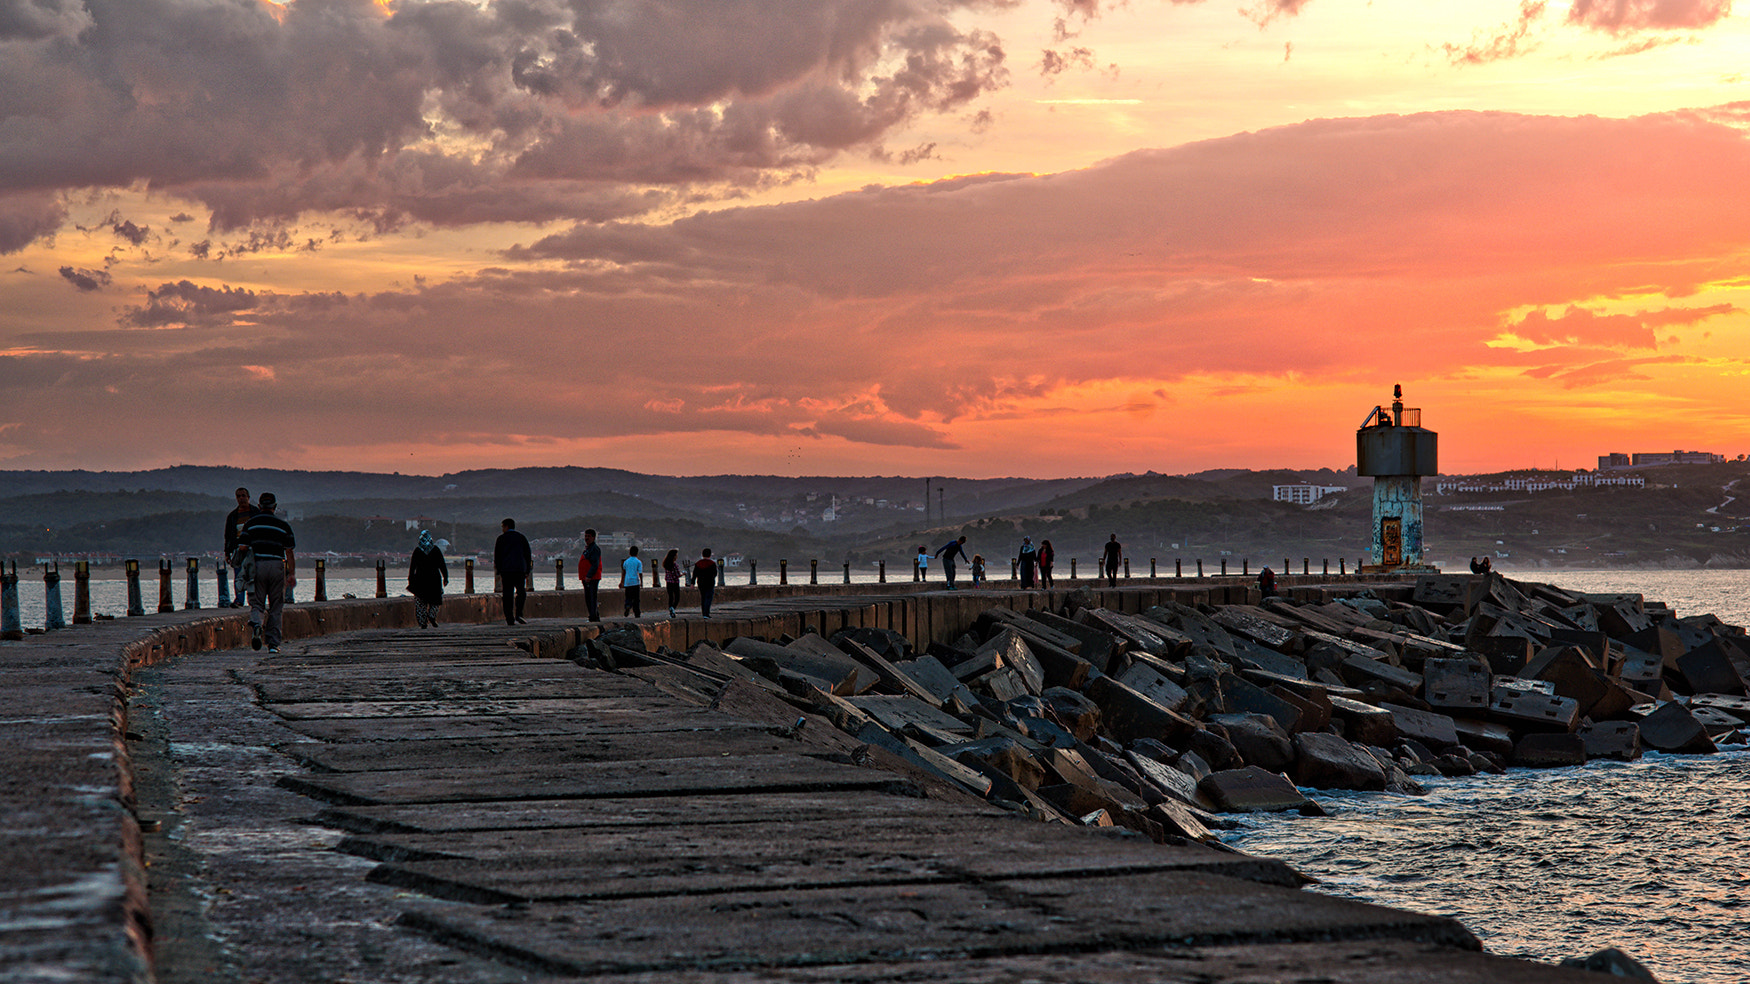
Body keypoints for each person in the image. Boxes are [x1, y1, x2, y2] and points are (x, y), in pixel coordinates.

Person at [240, 492, 295, 653]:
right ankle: (273, 644)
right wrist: (291, 573)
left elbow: (243, 546)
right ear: (275, 507)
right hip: (277, 565)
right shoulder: (283, 526)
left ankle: (257, 624)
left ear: (259, 506)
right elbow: (289, 551)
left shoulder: (250, 524)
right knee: (276, 606)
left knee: (257, 602)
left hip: (257, 566)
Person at [407, 529, 448, 628]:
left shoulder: (417, 551)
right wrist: (445, 577)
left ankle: (423, 622)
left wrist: (411, 579)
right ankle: (432, 616)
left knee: (421, 603)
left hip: (420, 580)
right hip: (434, 580)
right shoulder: (436, 550)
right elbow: (442, 565)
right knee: (435, 601)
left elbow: (412, 567)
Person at [222, 486, 255, 608]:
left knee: (253, 575)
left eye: (243, 496)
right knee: (238, 574)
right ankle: (239, 600)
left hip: (253, 548)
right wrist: (227, 552)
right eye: (239, 496)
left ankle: (253, 599)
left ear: (248, 497)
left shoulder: (255, 513)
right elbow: (228, 535)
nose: (241, 498)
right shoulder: (232, 516)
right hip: (237, 549)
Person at [494, 518, 532, 625]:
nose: (502, 529)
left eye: (502, 527)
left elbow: (497, 555)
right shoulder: (521, 537)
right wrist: (527, 569)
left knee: (507, 594)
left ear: (506, 526)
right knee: (521, 592)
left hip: (506, 571)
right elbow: (527, 555)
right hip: (519, 570)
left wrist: (499, 569)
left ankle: (509, 617)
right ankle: (519, 613)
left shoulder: (501, 539)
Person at [577, 528, 603, 621]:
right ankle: (594, 615)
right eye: (585, 536)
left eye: (588, 536)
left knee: (592, 598)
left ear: (593, 537)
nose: (586, 538)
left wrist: (589, 575)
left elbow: (595, 564)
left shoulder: (594, 549)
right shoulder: (588, 549)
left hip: (592, 578)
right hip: (586, 578)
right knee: (588, 598)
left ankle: (593, 617)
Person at [693, 548, 718, 617]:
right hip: (710, 583)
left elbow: (695, 574)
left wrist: (692, 583)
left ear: (702, 554)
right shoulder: (712, 563)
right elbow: (715, 574)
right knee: (708, 598)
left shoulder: (698, 563)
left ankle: (704, 613)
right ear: (710, 555)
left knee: (703, 598)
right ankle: (706, 613)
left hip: (701, 583)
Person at [621, 545, 643, 617]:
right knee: (636, 599)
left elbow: (624, 572)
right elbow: (640, 573)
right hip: (635, 583)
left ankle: (627, 605)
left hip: (627, 583)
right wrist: (641, 582)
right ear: (637, 553)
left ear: (629, 553)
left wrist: (622, 582)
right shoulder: (638, 562)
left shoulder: (626, 562)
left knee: (628, 597)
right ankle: (637, 613)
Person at [662, 548, 682, 618]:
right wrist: (683, 573)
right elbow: (677, 575)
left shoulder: (666, 564)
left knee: (670, 597)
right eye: (676, 555)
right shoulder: (675, 565)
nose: (677, 557)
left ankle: (671, 609)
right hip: (675, 583)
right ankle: (672, 608)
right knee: (677, 597)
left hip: (668, 583)